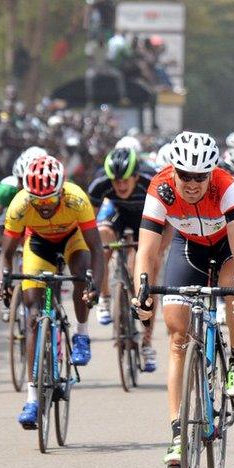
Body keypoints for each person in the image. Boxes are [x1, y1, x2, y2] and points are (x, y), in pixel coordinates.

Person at [131, 131, 234, 468]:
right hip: (189, 248)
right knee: (177, 335)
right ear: (173, 170)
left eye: (200, 176)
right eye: (184, 174)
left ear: (211, 172)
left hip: (229, 247)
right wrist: (141, 293)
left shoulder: (227, 187)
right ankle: (177, 434)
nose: (191, 183)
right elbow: (146, 250)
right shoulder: (160, 189)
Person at [0, 155, 103, 429]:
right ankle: (31, 399)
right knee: (32, 314)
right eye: (37, 200)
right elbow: (5, 255)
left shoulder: (76, 199)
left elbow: (98, 250)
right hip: (38, 244)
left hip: (71, 239)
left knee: (82, 272)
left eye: (49, 200)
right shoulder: (19, 204)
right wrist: (2, 282)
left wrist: (95, 287)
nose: (43, 206)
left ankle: (81, 334)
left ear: (61, 191)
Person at [87, 146, 160, 371]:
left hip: (145, 219)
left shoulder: (151, 184)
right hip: (117, 215)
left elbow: (166, 225)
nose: (119, 185)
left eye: (125, 181)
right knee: (102, 236)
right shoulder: (100, 184)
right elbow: (88, 222)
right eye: (115, 181)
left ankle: (147, 341)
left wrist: (155, 251)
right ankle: (106, 298)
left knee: (149, 275)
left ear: (136, 176)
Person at [0, 146, 47, 274]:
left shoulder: (54, 188)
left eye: (30, 182)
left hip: (39, 226)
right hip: (10, 223)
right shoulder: (5, 189)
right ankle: (3, 286)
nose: (24, 188)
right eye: (20, 181)